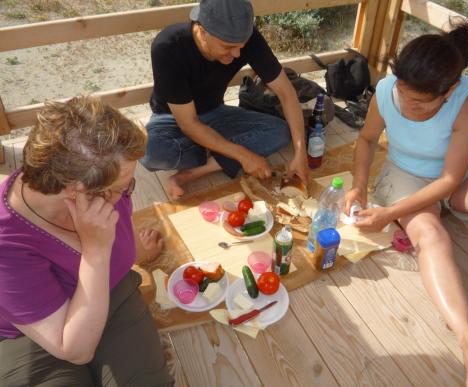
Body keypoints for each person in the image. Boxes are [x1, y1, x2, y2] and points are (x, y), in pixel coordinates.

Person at [344, 19, 468, 386]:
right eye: (405, 95)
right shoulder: (387, 90)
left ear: (450, 89)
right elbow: (367, 140)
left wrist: (389, 214)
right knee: (430, 234)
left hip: (459, 173)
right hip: (405, 173)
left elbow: (451, 179)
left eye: (421, 102)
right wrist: (359, 185)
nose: (409, 105)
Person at [0, 96, 174, 386]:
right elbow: (75, 350)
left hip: (109, 291)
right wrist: (96, 251)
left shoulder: (103, 189)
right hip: (32, 336)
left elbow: (116, 239)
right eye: (122, 187)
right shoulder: (7, 245)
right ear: (76, 192)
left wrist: (135, 251)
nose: (129, 192)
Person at [140, 0, 308, 199]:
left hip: (216, 113)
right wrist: (243, 154)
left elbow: (287, 93)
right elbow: (188, 123)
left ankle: (191, 172)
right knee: (150, 152)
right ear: (202, 32)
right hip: (172, 119)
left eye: (241, 46)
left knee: (281, 131)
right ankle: (221, 151)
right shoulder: (168, 46)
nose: (237, 54)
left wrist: (300, 153)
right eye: (228, 47)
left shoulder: (246, 37)